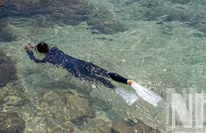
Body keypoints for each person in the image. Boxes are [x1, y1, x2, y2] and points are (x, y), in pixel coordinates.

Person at [25, 42, 162, 106]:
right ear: (48, 46)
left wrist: (29, 51)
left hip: (76, 71)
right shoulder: (55, 49)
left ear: (42, 52)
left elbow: (36, 60)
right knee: (106, 74)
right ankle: (128, 82)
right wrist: (36, 46)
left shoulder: (47, 58)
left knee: (99, 81)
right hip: (83, 64)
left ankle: (117, 90)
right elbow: (46, 47)